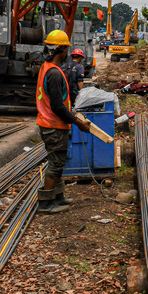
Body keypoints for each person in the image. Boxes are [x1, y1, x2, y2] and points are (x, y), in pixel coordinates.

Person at [36, 30, 91, 214]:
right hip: (53, 125)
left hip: (51, 123)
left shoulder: (48, 67)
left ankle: (58, 197)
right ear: (64, 49)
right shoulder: (54, 73)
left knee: (58, 162)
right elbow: (58, 107)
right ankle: (45, 203)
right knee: (55, 164)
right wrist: (77, 121)